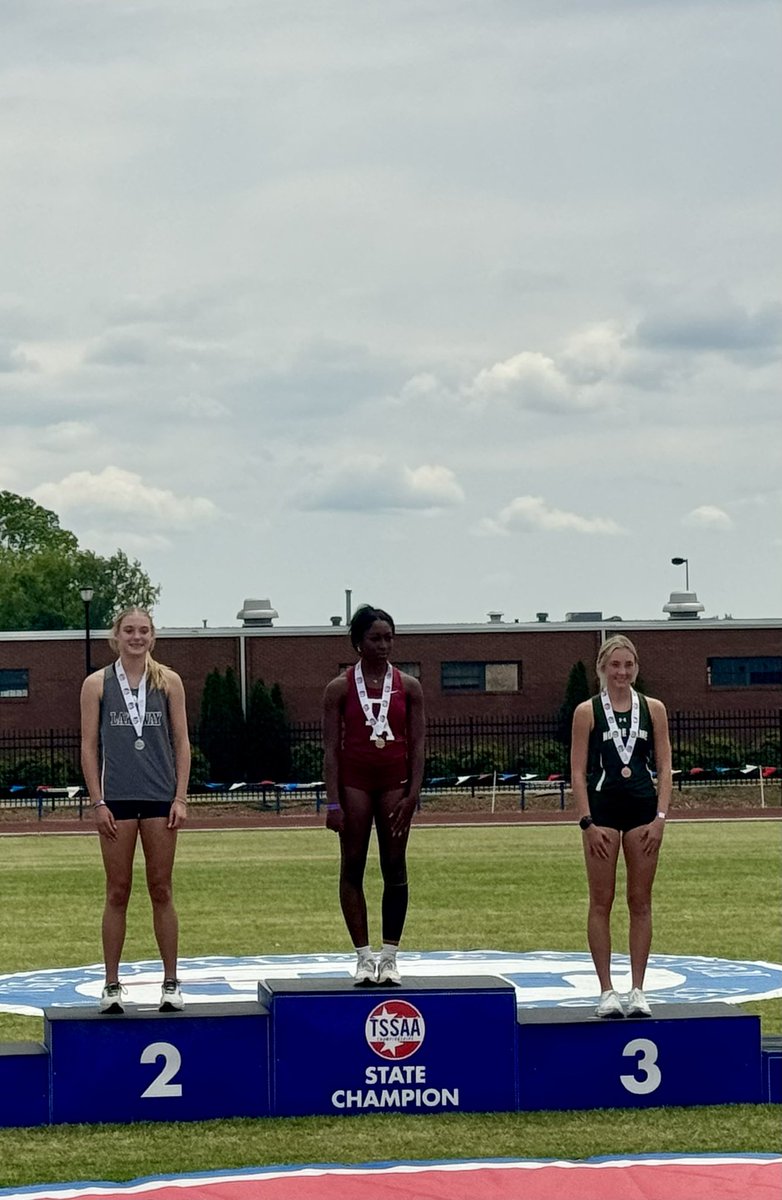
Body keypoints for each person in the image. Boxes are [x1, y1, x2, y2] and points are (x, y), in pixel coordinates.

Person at [80, 607, 191, 1014]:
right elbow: (89, 747)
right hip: (117, 802)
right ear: (116, 636)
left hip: (161, 800)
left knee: (161, 889)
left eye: (143, 630)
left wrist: (180, 797)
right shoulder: (97, 684)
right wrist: (97, 801)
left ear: (153, 636)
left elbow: (181, 742)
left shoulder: (169, 681)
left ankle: (170, 983)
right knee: (117, 891)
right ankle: (111, 985)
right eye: (129, 630)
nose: (137, 637)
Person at [323, 605, 425, 986]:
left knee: (395, 867)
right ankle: (364, 957)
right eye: (375, 639)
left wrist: (413, 795)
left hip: (394, 783)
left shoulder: (409, 687)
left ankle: (390, 956)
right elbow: (331, 750)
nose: (383, 645)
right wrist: (333, 803)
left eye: (388, 638)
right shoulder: (339, 688)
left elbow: (417, 745)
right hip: (354, 783)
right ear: (357, 643)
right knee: (352, 865)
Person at [570, 634, 672, 1019]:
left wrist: (661, 819)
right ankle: (606, 991)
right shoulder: (587, 711)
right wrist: (586, 822)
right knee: (601, 901)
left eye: (628, 665)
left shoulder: (654, 709)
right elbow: (577, 772)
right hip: (602, 816)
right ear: (602, 668)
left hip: (644, 815)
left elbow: (664, 767)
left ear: (637, 668)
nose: (622, 672)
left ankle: (638, 990)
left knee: (640, 902)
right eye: (615, 665)